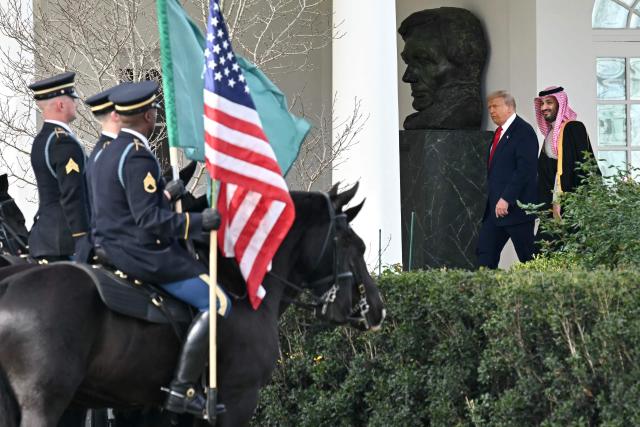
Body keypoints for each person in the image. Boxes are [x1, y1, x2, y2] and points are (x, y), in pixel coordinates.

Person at [90, 80, 229, 417]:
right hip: (140, 253)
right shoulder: (138, 157)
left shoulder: (107, 152)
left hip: (111, 245)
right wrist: (199, 223)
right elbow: (149, 221)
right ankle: (182, 390)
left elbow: (126, 207)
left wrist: (166, 194)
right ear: (150, 116)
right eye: (154, 110)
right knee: (218, 302)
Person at [27, 71, 91, 262]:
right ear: (62, 104)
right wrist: (82, 238)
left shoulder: (42, 139)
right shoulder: (63, 142)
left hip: (47, 237)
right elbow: (72, 194)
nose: (77, 104)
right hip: (65, 241)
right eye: (73, 99)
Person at [476, 90, 539, 269]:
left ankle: (543, 293)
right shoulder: (499, 133)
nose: (491, 111)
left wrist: (506, 198)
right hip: (495, 212)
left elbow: (525, 170)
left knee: (528, 259)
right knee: (484, 255)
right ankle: (485, 294)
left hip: (516, 210)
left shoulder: (523, 131)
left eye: (495, 106)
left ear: (509, 107)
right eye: (489, 107)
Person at [398, 7, 488, 130]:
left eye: (423, 60)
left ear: (465, 64)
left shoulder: (455, 116)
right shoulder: (418, 121)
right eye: (408, 62)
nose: (407, 77)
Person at [534, 86, 597, 220]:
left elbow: (582, 168)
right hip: (552, 208)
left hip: (573, 207)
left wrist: (560, 200)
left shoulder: (574, 128)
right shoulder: (550, 134)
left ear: (560, 104)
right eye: (542, 103)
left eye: (549, 102)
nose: (543, 107)